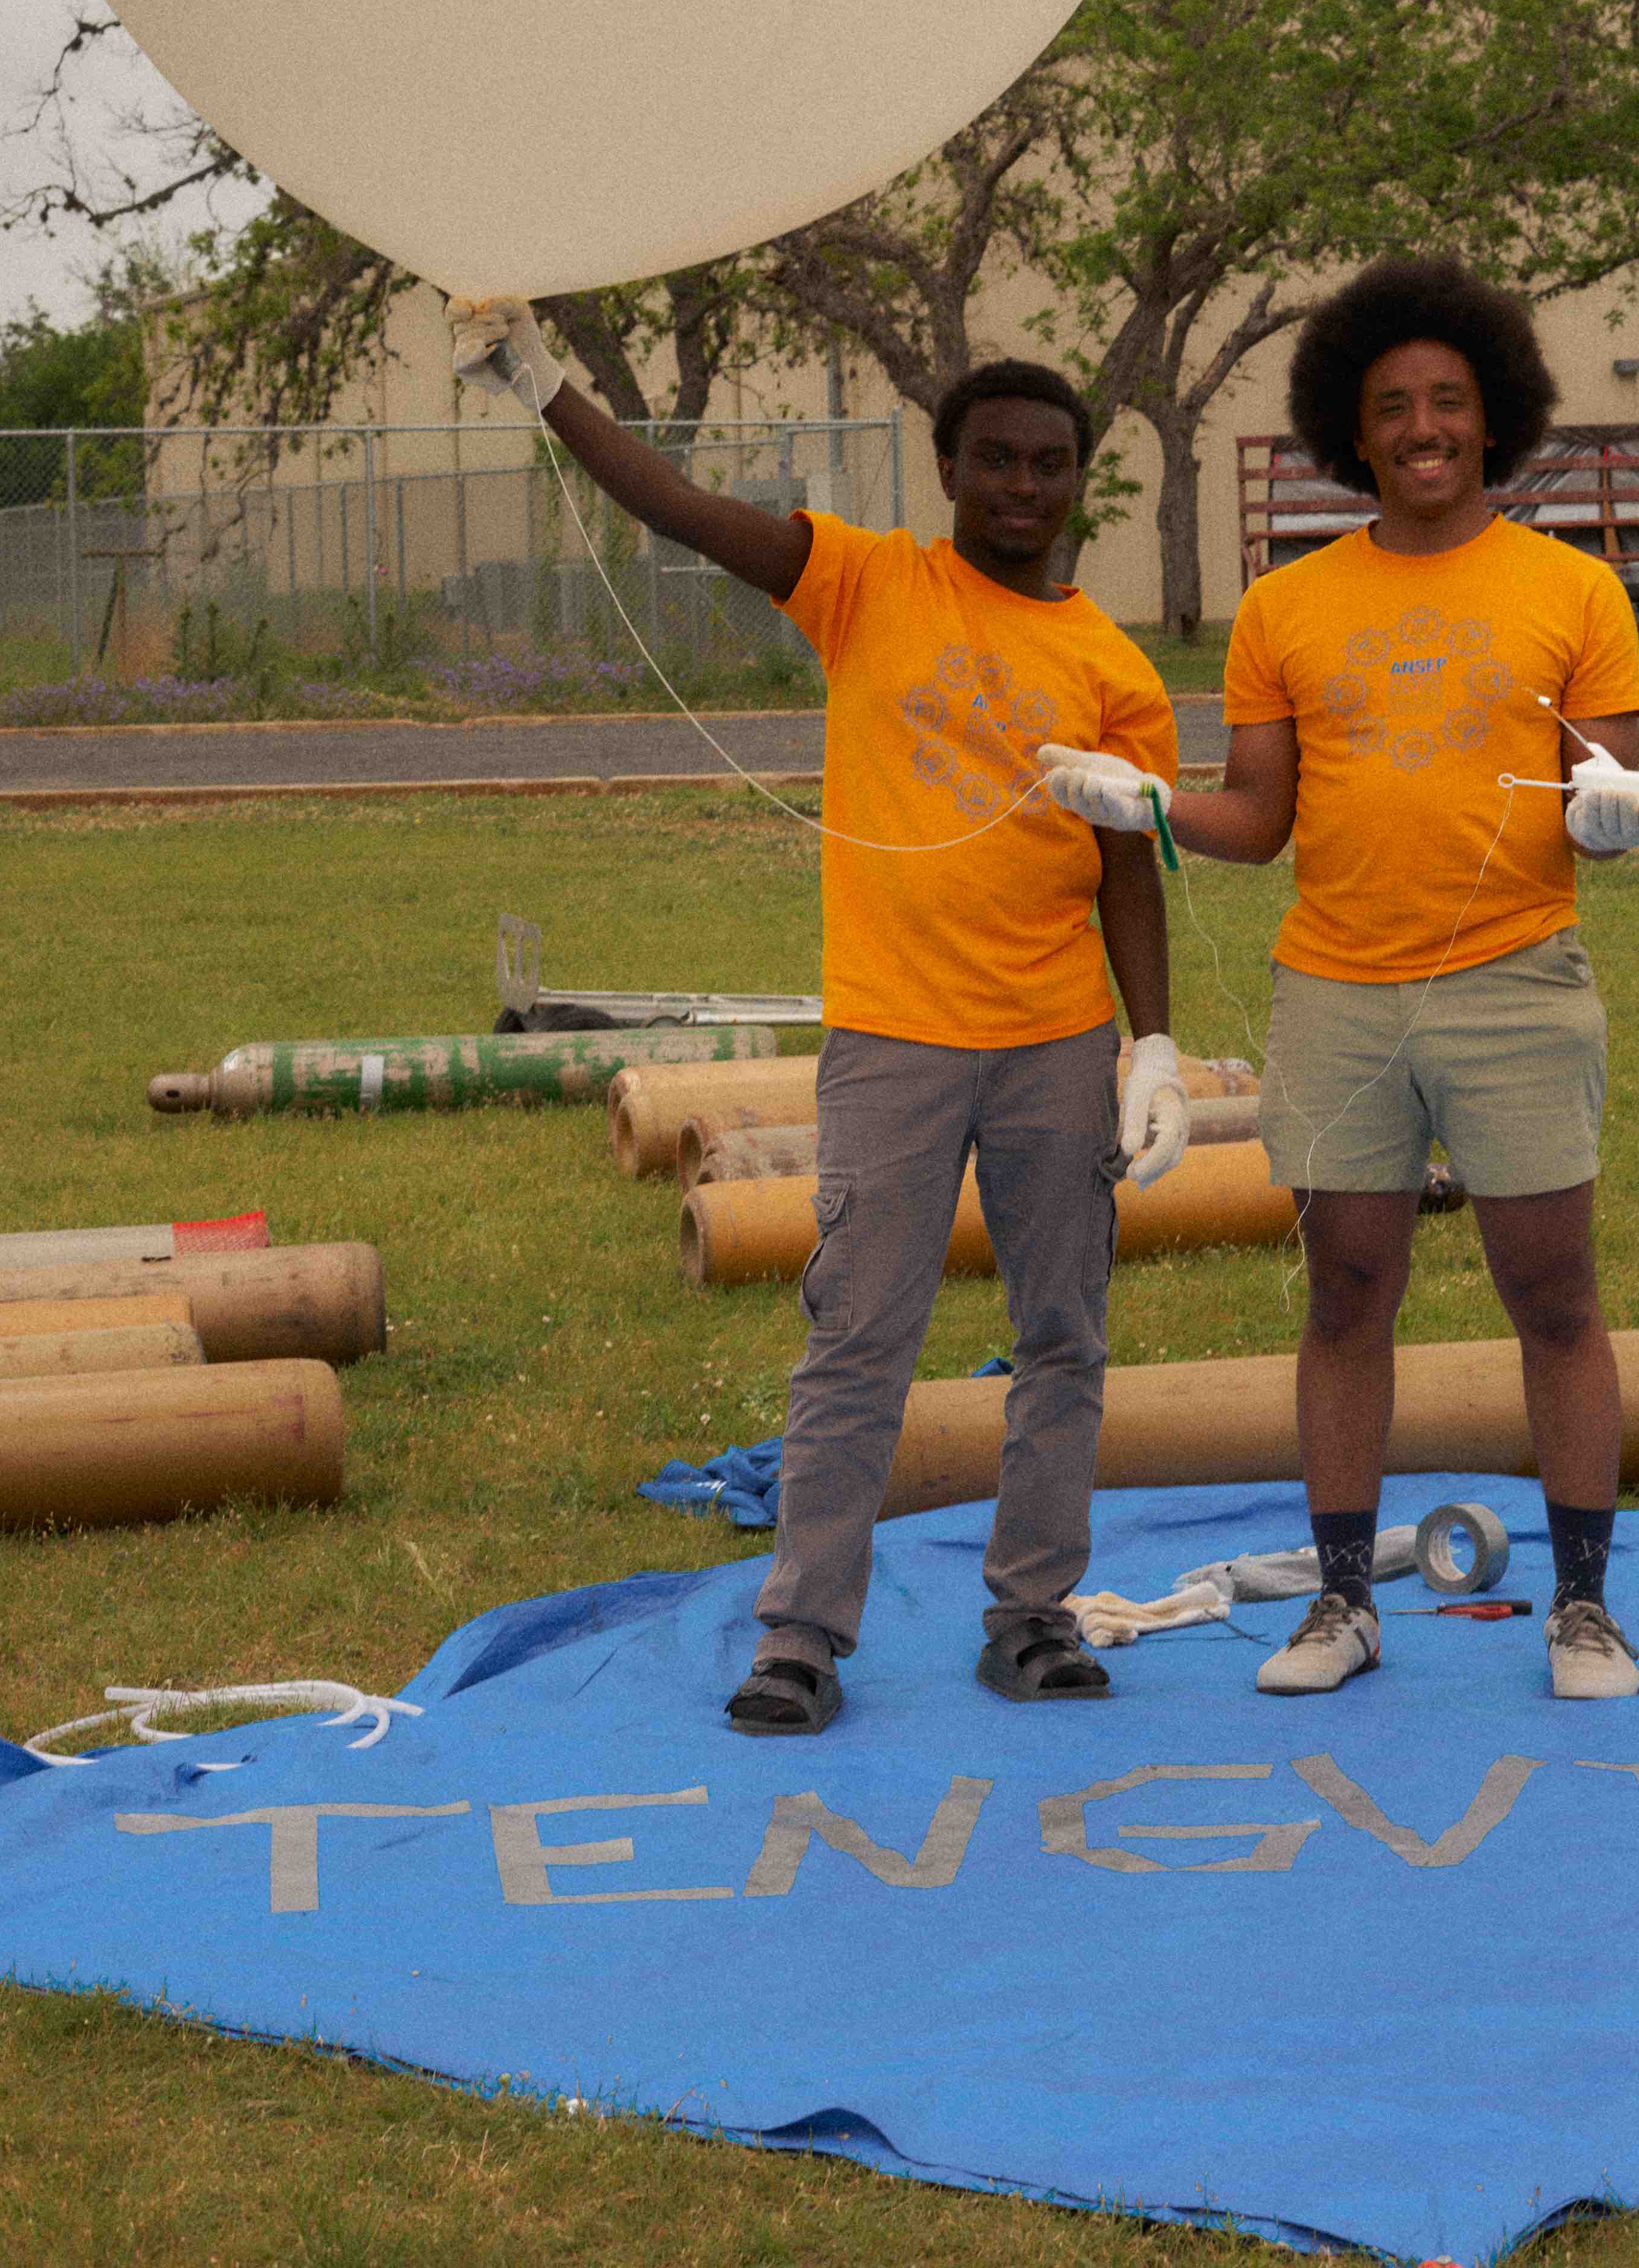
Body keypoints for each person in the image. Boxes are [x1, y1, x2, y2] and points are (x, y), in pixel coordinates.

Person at [448, 299, 1185, 1735]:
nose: (1022, 487)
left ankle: (1031, 1615)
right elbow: (676, 504)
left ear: (1076, 481)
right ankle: (799, 1636)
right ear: (949, 469)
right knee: (858, 1340)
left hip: (1053, 1046)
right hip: (894, 1043)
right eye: (995, 461)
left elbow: (1128, 874)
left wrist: (1147, 1045)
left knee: (1064, 1339)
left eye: (1049, 464)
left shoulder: (1114, 669)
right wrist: (544, 385)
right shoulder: (861, 583)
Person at [1039, 254, 1639, 1704]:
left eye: (1449, 402)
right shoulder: (1286, 607)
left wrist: (1613, 821)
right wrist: (1138, 803)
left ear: (1491, 418)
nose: (1423, 428)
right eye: (1393, 407)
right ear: (1354, 430)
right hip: (1334, 990)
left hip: (1517, 981)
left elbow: (1607, 799)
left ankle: (1583, 1611)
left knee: (1552, 1296)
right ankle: (1336, 1604)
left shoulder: (1575, 591)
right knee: (1345, 1297)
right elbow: (1254, 822)